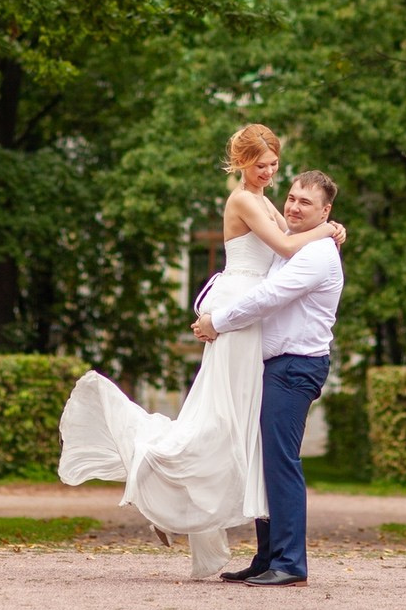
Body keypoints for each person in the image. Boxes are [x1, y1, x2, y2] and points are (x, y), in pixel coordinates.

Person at [57, 124, 345, 578]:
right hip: (245, 327)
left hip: (265, 340)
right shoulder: (249, 202)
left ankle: (276, 558)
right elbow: (284, 248)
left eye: (274, 165)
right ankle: (179, 494)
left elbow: (278, 272)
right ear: (243, 163)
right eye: (263, 166)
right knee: (230, 431)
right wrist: (328, 226)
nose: (272, 177)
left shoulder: (294, 229)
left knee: (252, 444)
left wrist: (327, 229)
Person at [191, 168, 344, 587]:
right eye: (292, 198)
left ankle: (291, 562)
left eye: (305, 203)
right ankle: (267, 557)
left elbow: (267, 297)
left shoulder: (316, 255)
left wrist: (217, 321)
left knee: (280, 461)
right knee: (262, 461)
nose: (293, 207)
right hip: (274, 365)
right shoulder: (295, 245)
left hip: (296, 367)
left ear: (325, 211)